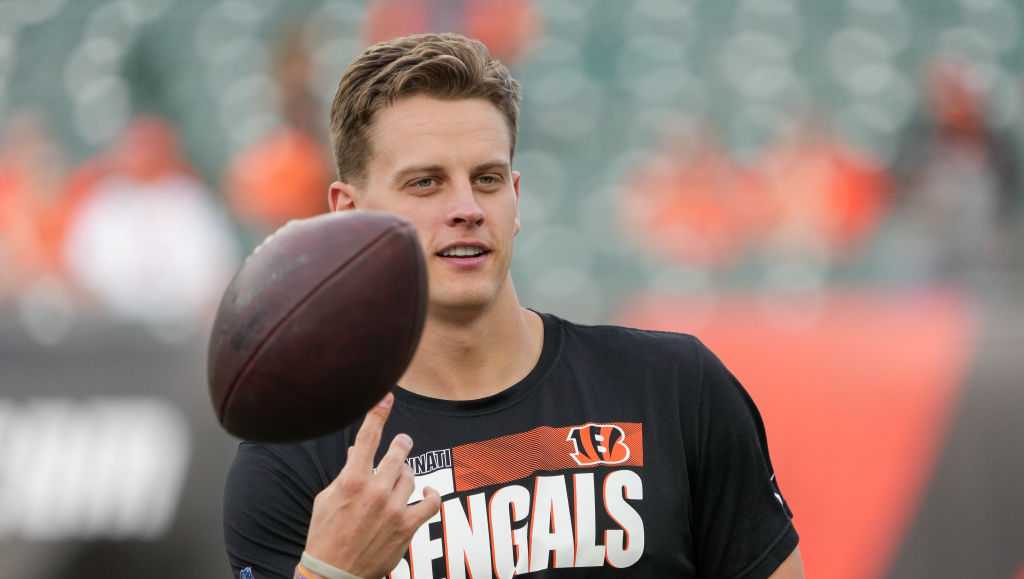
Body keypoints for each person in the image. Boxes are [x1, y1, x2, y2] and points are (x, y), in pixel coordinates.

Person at [224, 33, 803, 579]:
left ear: (516, 198)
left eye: (487, 178)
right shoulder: (294, 463)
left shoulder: (674, 387)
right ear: (348, 215)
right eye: (425, 182)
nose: (467, 207)